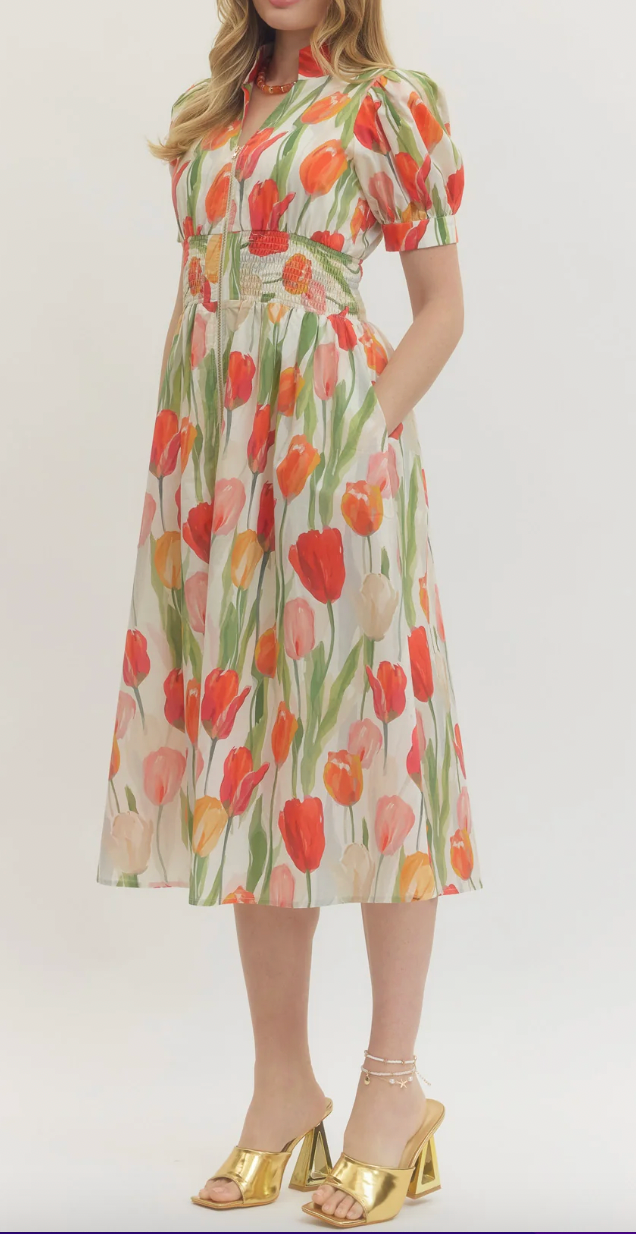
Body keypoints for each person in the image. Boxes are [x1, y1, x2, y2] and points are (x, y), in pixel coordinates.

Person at [97, 0, 482, 1225]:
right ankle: (281, 1090)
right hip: (216, 466)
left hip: (336, 459)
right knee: (253, 761)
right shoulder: (209, 113)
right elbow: (191, 302)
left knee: (372, 752)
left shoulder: (388, 104)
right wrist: (177, 473)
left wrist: (361, 438)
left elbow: (440, 310)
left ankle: (390, 1088)